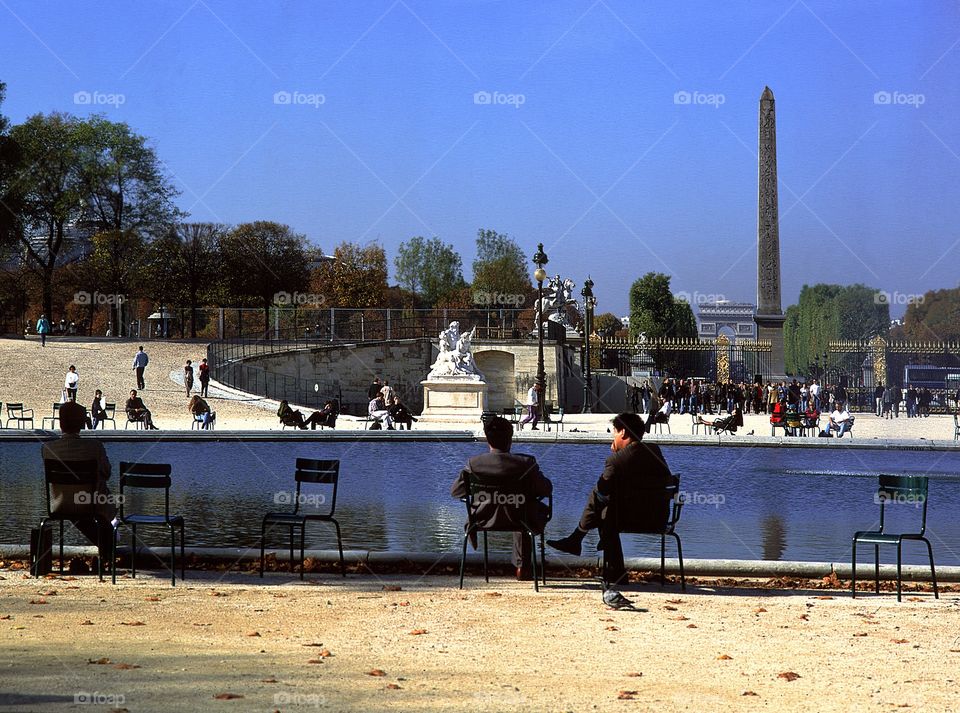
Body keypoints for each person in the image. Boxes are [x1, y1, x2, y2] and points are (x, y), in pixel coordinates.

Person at [547, 413, 672, 585]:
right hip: (659, 518)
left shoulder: (616, 460)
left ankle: (581, 540)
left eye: (614, 432)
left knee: (603, 509)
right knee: (606, 509)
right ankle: (584, 545)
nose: (613, 436)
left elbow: (602, 491)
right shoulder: (654, 450)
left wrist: (616, 456)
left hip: (628, 520)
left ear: (623, 433)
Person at [451, 415, 552, 580]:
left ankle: (473, 532)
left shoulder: (473, 464)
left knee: (517, 507)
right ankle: (522, 566)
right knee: (527, 510)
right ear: (510, 439)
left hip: (483, 518)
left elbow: (456, 492)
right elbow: (546, 489)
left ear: (488, 440)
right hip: (521, 518)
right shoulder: (526, 463)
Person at [40, 400, 116, 560]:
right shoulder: (95, 447)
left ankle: (107, 551)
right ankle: (108, 553)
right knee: (98, 502)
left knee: (76, 504)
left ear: (60, 423)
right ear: (82, 423)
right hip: (90, 503)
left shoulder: (47, 448)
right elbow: (107, 473)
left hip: (59, 504)